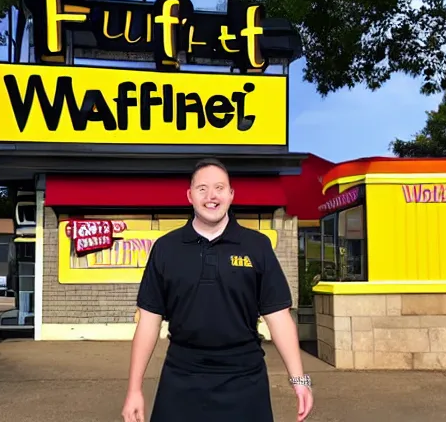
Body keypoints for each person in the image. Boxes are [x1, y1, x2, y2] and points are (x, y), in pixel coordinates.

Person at [121, 158, 314, 422]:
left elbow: (279, 318)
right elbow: (148, 323)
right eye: (202, 189)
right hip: (181, 378)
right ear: (190, 195)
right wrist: (134, 389)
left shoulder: (256, 246)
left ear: (231, 194)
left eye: (219, 188)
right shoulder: (166, 249)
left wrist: (300, 380)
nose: (211, 196)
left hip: (245, 380)